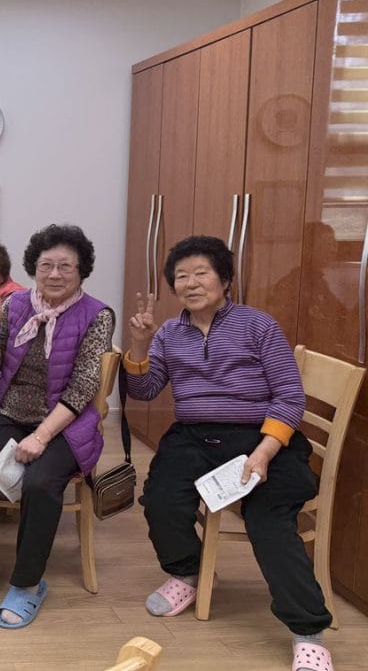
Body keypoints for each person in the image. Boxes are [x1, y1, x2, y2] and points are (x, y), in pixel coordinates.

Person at [125, 235, 333, 671]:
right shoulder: (169, 333)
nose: (190, 283)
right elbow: (144, 391)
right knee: (161, 499)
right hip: (194, 436)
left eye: (201, 273)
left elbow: (289, 397)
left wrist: (265, 451)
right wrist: (140, 345)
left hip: (262, 436)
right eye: (181, 276)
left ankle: (308, 631)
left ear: (224, 279)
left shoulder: (259, 326)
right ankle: (189, 571)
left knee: (268, 519)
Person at [0, 224, 113, 630]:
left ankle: (28, 583)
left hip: (64, 421)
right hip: (10, 408)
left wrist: (41, 436)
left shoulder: (98, 315)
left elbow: (84, 387)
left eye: (65, 266)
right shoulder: (14, 305)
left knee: (40, 483)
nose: (54, 274)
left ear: (81, 270)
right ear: (33, 267)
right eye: (46, 265)